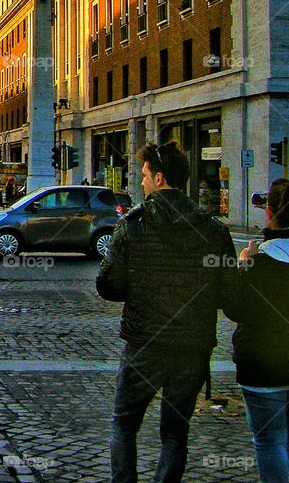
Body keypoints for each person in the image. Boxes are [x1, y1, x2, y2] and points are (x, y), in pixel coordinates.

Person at [97, 141, 238, 483]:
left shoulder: (133, 225)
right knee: (176, 432)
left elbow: (107, 286)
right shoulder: (214, 229)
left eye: (144, 175)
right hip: (192, 346)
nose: (141, 182)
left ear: (159, 178)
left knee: (124, 423)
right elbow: (231, 297)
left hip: (145, 342)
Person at [224, 178, 289, 483]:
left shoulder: (256, 264)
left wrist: (242, 264)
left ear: (268, 214)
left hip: (262, 369)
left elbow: (234, 309)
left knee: (269, 440)